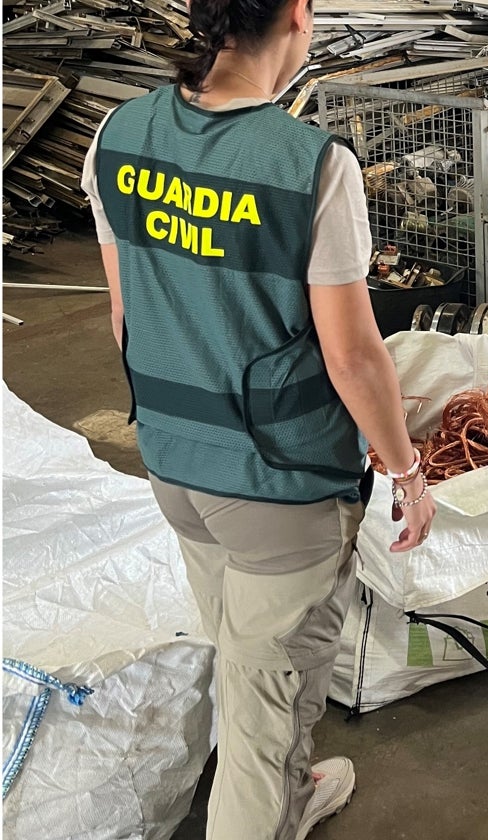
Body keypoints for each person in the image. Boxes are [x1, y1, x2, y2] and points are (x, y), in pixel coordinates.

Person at [82, 0, 436, 836]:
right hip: (280, 483)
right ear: (299, 17)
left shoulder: (119, 135)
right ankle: (261, 808)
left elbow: (125, 315)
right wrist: (406, 469)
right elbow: (352, 356)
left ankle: (287, 788)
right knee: (261, 704)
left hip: (173, 462)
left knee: (245, 662)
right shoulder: (309, 164)